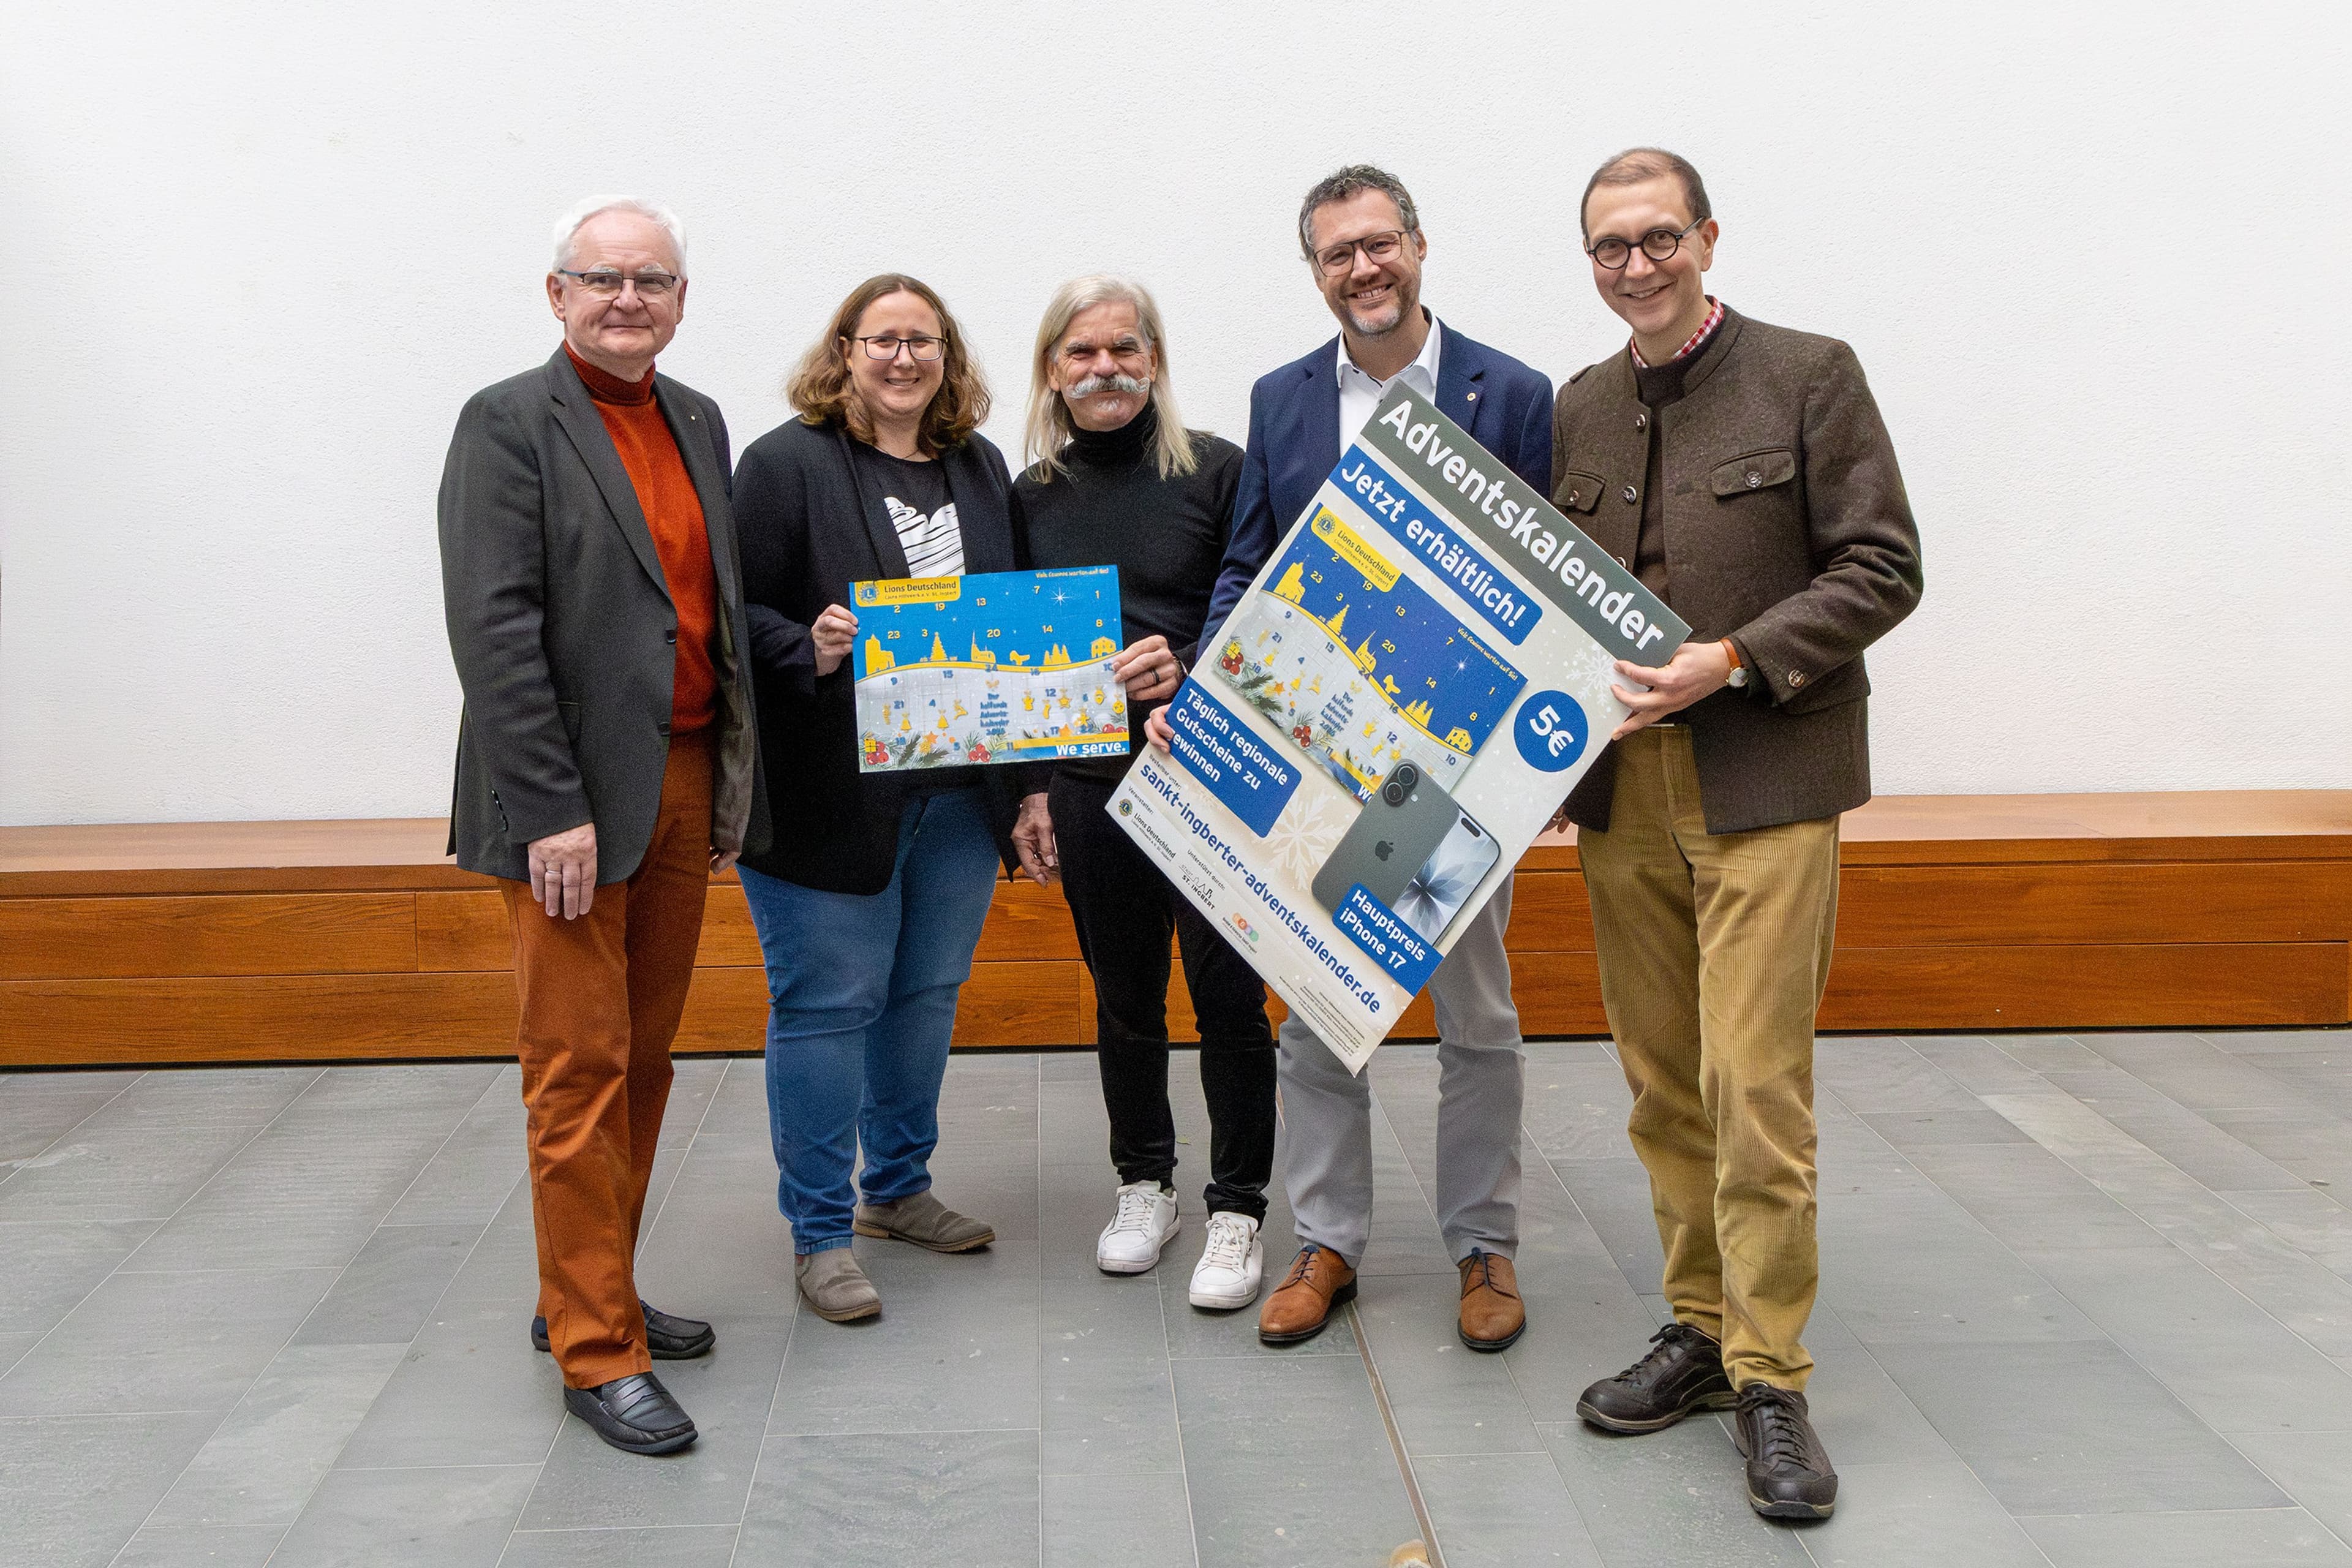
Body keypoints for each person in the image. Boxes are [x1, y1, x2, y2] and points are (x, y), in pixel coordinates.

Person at [1554, 148, 1923, 1521]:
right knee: (1664, 1082)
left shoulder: (1810, 372)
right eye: (1609, 247)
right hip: (1624, 793)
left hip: (1769, 774)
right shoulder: (1577, 406)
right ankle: (1700, 1329)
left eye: (1658, 238)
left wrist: (1737, 659)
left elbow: (1884, 563)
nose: (1635, 265)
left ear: (1708, 237)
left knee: (1756, 1083)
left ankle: (1772, 1375)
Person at [1158, 165, 1554, 1352]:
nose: (1362, 269)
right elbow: (1249, 562)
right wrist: (1211, 677)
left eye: (1380, 244)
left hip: (1457, 771)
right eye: (1338, 254)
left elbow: (1546, 573)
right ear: (1316, 271)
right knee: (1317, 1012)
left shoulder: (1514, 392)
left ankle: (1486, 1243)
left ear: (1420, 247)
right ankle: (1327, 1238)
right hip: (1320, 763)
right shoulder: (1283, 398)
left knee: (1477, 1016)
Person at [437, 195, 765, 1455]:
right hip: (567, 803)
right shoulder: (508, 422)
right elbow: (497, 634)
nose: (629, 297)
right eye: (604, 277)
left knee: (643, 1053)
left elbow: (713, 616)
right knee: (575, 1067)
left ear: (682, 299)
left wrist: (730, 785)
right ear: (556, 292)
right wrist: (551, 811)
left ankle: (592, 1281)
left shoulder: (697, 419)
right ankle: (594, 1349)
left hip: (681, 782)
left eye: (654, 279)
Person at [730, 274, 1047, 1324]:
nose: (904, 359)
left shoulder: (978, 464)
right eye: (883, 341)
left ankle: (897, 1190)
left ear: (948, 358)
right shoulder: (785, 466)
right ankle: (820, 1234)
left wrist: (1033, 773)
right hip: (828, 796)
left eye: (925, 342)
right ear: (846, 352)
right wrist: (801, 644)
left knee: (923, 998)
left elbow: (1008, 623)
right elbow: (728, 614)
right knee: (826, 1007)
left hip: (959, 796)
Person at [1012, 276, 1276, 1308]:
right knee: (1124, 999)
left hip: (1208, 774)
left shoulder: (1217, 472)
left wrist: (1195, 673)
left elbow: (1259, 604)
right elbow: (1011, 658)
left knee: (1227, 999)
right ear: (1053, 370)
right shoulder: (1026, 495)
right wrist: (1030, 791)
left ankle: (1239, 1207)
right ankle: (1145, 1184)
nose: (1105, 368)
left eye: (1125, 349)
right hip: (1088, 782)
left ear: (1155, 359)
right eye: (1081, 354)